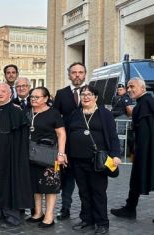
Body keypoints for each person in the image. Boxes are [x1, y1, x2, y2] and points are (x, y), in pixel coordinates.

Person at [111, 78, 154, 226]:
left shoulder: (145, 104)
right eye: (128, 87)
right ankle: (132, 208)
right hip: (152, 149)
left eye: (133, 86)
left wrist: (141, 150)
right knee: (143, 177)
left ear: (142, 88)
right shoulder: (146, 103)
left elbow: (146, 131)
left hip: (149, 149)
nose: (129, 89)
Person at [67, 85, 121, 234]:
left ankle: (102, 223)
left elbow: (112, 136)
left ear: (96, 97)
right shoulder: (75, 114)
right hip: (77, 159)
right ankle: (87, 219)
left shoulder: (105, 114)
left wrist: (116, 154)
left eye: (89, 94)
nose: (86, 97)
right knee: (83, 192)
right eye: (83, 94)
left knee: (98, 192)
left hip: (97, 161)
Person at [0, 82, 33, 226]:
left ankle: (11, 215)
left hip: (7, 158)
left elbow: (20, 138)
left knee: (8, 185)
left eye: (3, 91)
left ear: (10, 94)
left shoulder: (16, 111)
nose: (0, 93)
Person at [24, 87, 67, 228]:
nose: (33, 99)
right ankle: (38, 213)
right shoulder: (27, 112)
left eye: (37, 97)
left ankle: (49, 216)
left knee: (50, 186)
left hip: (48, 155)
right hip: (30, 153)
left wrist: (61, 153)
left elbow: (61, 134)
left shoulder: (53, 113)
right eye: (32, 96)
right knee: (34, 185)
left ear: (46, 98)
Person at [53, 62, 87, 220]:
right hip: (67, 145)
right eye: (74, 72)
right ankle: (65, 208)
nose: (77, 75)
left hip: (86, 146)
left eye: (80, 72)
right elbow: (55, 118)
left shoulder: (92, 92)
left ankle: (87, 211)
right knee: (67, 179)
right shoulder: (61, 94)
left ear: (85, 74)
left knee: (86, 180)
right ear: (69, 75)